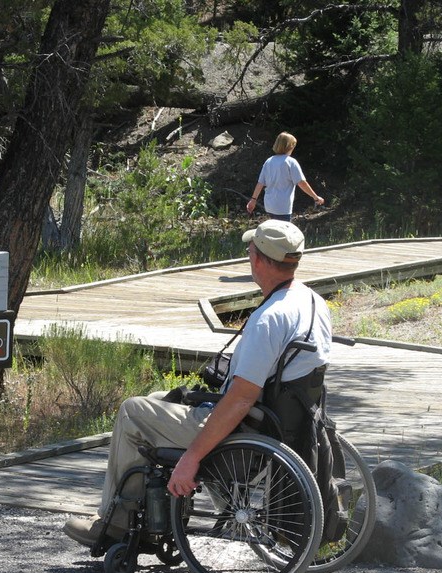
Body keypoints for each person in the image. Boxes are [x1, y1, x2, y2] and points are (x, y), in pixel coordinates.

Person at [64, 219, 333, 548]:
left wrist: (191, 457)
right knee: (159, 397)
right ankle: (153, 518)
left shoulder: (270, 319)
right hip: (283, 423)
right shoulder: (313, 302)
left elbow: (239, 400)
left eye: (250, 250)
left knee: (133, 411)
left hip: (246, 433)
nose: (249, 255)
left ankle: (115, 524)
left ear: (259, 260)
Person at [246, 132, 324, 222]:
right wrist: (316, 197)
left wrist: (253, 200)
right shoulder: (291, 162)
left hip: (269, 205)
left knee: (275, 231)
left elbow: (260, 183)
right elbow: (302, 183)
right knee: (283, 233)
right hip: (283, 206)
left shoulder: (269, 161)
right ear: (289, 146)